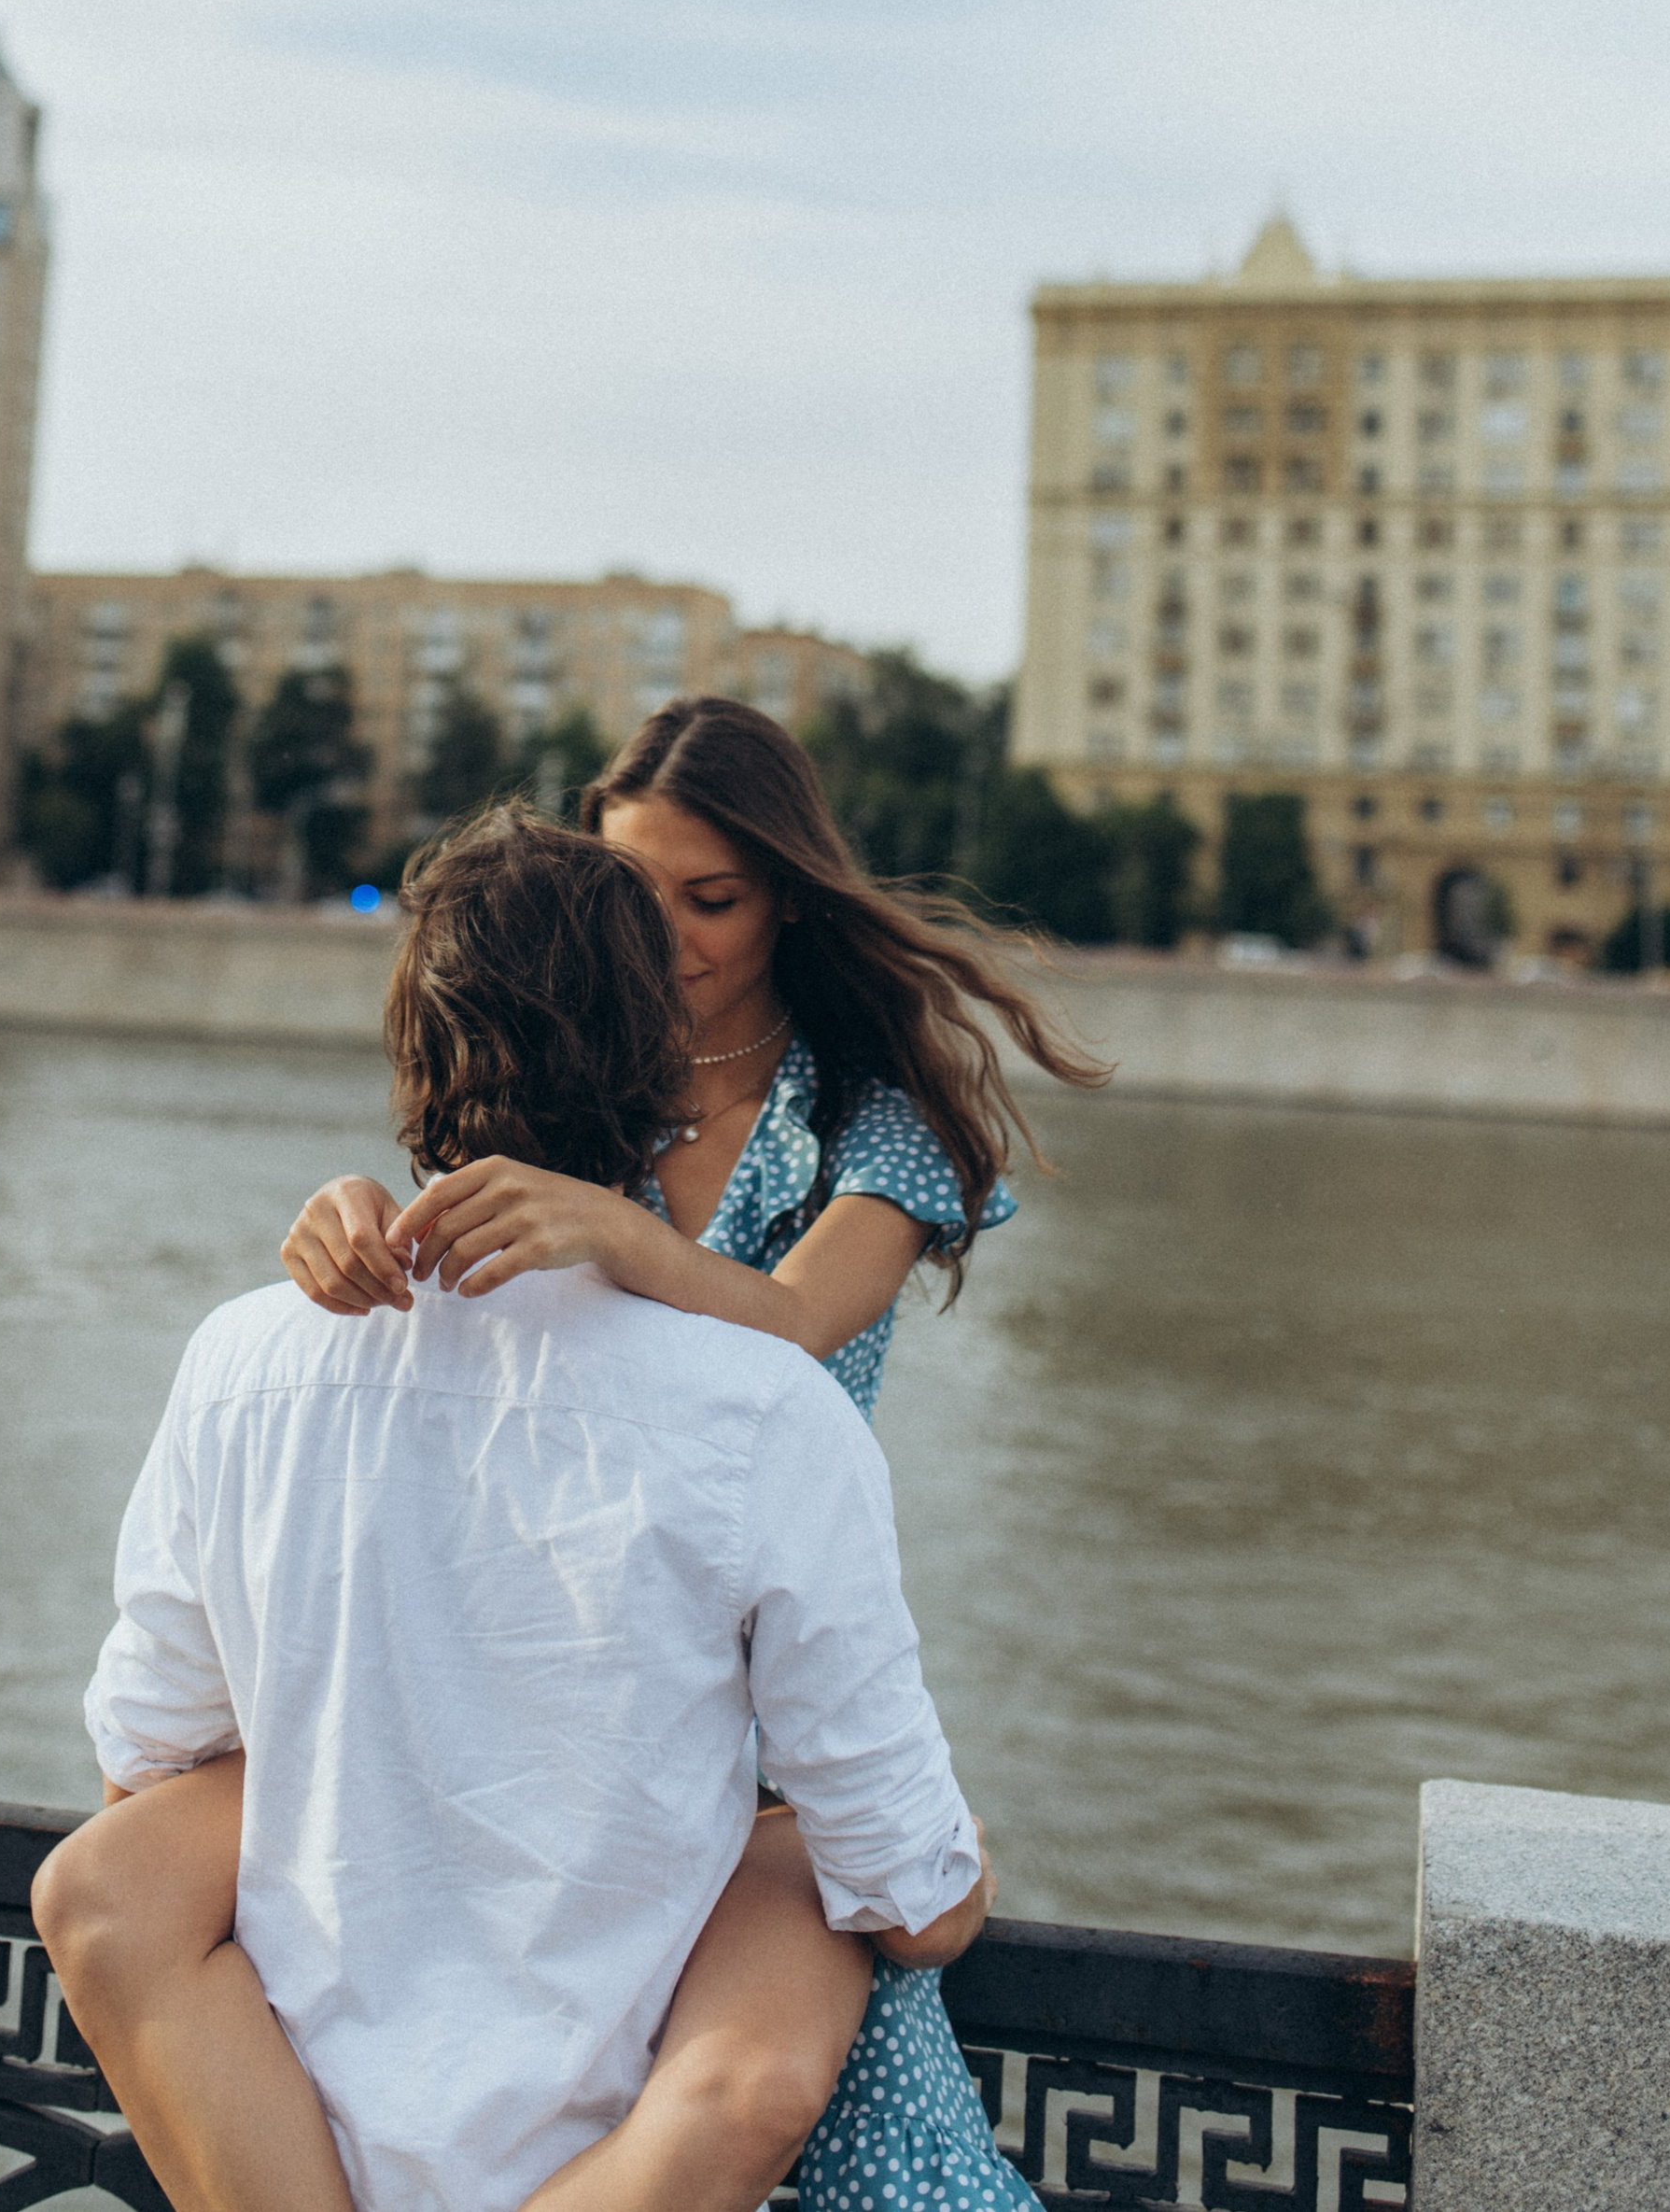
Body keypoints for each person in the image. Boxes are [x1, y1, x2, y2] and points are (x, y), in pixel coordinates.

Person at [33, 803, 1012, 2212]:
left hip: (287, 2149)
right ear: (654, 1057)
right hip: (611, 2167)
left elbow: (144, 1766)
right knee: (814, 1858)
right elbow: (914, 1913)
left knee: (115, 1869)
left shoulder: (243, 1361)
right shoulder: (765, 1414)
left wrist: (385, 1751)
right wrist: (941, 1870)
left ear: (410, 1048)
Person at [290, 693, 1109, 2212]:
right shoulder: (576, 1068)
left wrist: (612, 1228)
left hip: (762, 1679)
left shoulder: (879, 1106)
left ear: (789, 888)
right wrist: (348, 1214)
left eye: (711, 899)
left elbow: (800, 1325)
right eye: (632, 897)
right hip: (546, 1682)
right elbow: (451, 1323)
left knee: (849, 2121)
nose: (669, 936)